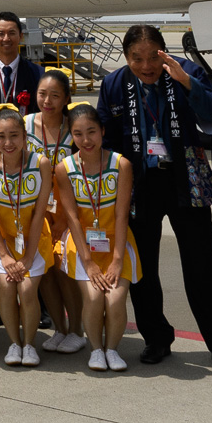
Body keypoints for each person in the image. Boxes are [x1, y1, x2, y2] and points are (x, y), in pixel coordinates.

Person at [95, 23, 212, 371]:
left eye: (152, 57)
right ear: (126, 57)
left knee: (202, 263)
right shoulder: (115, 83)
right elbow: (106, 135)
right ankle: (156, 338)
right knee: (143, 266)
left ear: (164, 52)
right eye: (137, 59)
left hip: (185, 178)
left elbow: (211, 118)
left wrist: (187, 83)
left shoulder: (185, 70)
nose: (146, 66)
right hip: (138, 182)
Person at [54, 104, 137, 372]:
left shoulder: (121, 164)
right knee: (92, 297)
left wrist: (116, 260)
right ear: (71, 136)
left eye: (91, 132)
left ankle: (112, 349)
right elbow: (72, 218)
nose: (86, 140)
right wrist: (88, 262)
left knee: (113, 300)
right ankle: (96, 350)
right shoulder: (64, 168)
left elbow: (122, 215)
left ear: (102, 131)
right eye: (78, 134)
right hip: (81, 244)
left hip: (117, 242)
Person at [0, 106, 52, 366]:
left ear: (24, 136)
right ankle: (13, 343)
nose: (8, 143)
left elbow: (41, 212)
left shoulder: (40, 163)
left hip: (34, 236)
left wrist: (29, 257)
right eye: (1, 136)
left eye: (14, 135)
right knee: (7, 287)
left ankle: (29, 344)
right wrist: (5, 256)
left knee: (28, 289)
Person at [25, 68, 79, 353]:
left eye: (55, 95)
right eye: (42, 94)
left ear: (67, 98)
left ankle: (77, 329)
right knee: (44, 270)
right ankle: (59, 327)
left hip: (70, 211)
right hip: (34, 212)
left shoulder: (76, 127)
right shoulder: (24, 125)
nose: (47, 101)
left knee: (65, 271)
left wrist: (65, 220)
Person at [0, 12, 42, 113]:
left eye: (12, 33)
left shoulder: (37, 74)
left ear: (21, 36)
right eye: (1, 34)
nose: (6, 38)